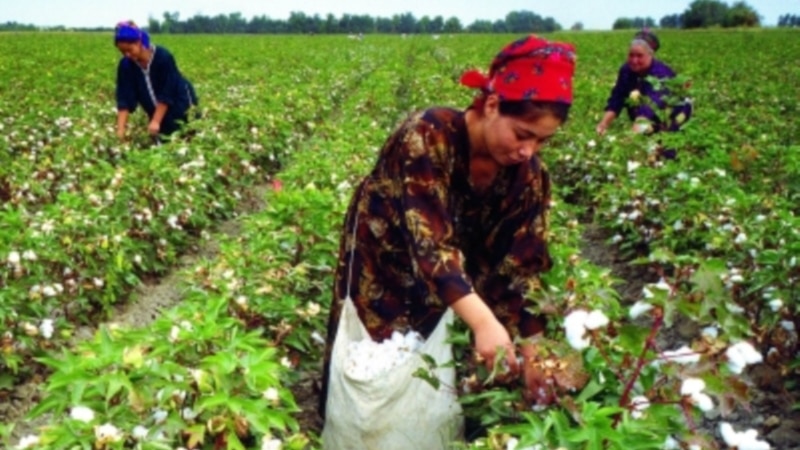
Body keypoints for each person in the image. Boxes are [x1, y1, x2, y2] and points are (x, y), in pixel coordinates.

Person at [321, 35, 576, 419]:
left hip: (455, 274)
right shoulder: (427, 135)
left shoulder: (529, 177)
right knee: (375, 362)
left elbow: (522, 265)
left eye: (543, 141)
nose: (529, 151)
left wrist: (533, 344)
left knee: (438, 368)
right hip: (386, 259)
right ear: (492, 105)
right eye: (523, 134)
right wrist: (484, 320)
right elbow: (430, 244)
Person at [596, 30, 692, 137]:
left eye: (639, 56)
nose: (634, 60)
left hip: (673, 117)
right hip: (647, 119)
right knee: (645, 142)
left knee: (665, 147)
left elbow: (650, 106)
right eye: (631, 55)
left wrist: (631, 137)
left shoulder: (661, 74)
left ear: (650, 55)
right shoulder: (626, 70)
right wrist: (603, 124)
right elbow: (617, 98)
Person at [114, 21, 198, 140]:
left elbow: (168, 92)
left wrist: (155, 121)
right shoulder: (126, 66)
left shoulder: (162, 57)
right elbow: (124, 98)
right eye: (123, 52)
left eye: (129, 50)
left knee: (185, 135)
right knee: (163, 141)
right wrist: (121, 130)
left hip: (181, 104)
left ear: (139, 43)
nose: (127, 55)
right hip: (154, 109)